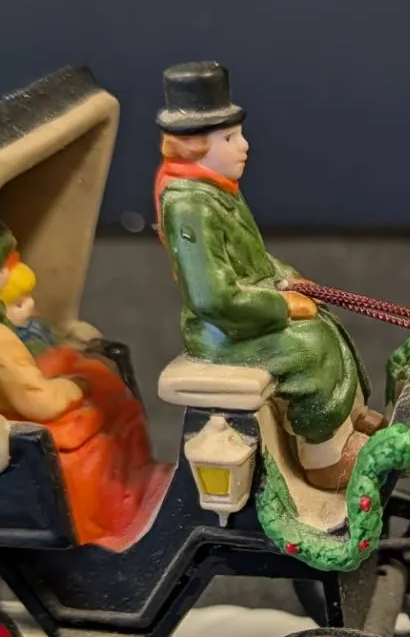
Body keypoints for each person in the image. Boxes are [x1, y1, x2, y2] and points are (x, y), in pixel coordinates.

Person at [152, 61, 383, 491]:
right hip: (223, 331)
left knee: (325, 323)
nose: (244, 146)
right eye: (229, 138)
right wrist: (279, 305)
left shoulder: (217, 190)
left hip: (243, 313)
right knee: (309, 346)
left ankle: (346, 421)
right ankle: (324, 459)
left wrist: (289, 279)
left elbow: (254, 260)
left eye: (238, 134)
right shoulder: (189, 206)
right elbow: (212, 298)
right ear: (193, 146)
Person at [0, 219, 163, 546]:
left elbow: (47, 348)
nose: (30, 306)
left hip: (53, 388)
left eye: (27, 297)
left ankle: (133, 485)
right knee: (96, 444)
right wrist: (77, 385)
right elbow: (39, 400)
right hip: (29, 417)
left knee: (119, 411)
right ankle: (102, 519)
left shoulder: (21, 330)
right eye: (18, 303)